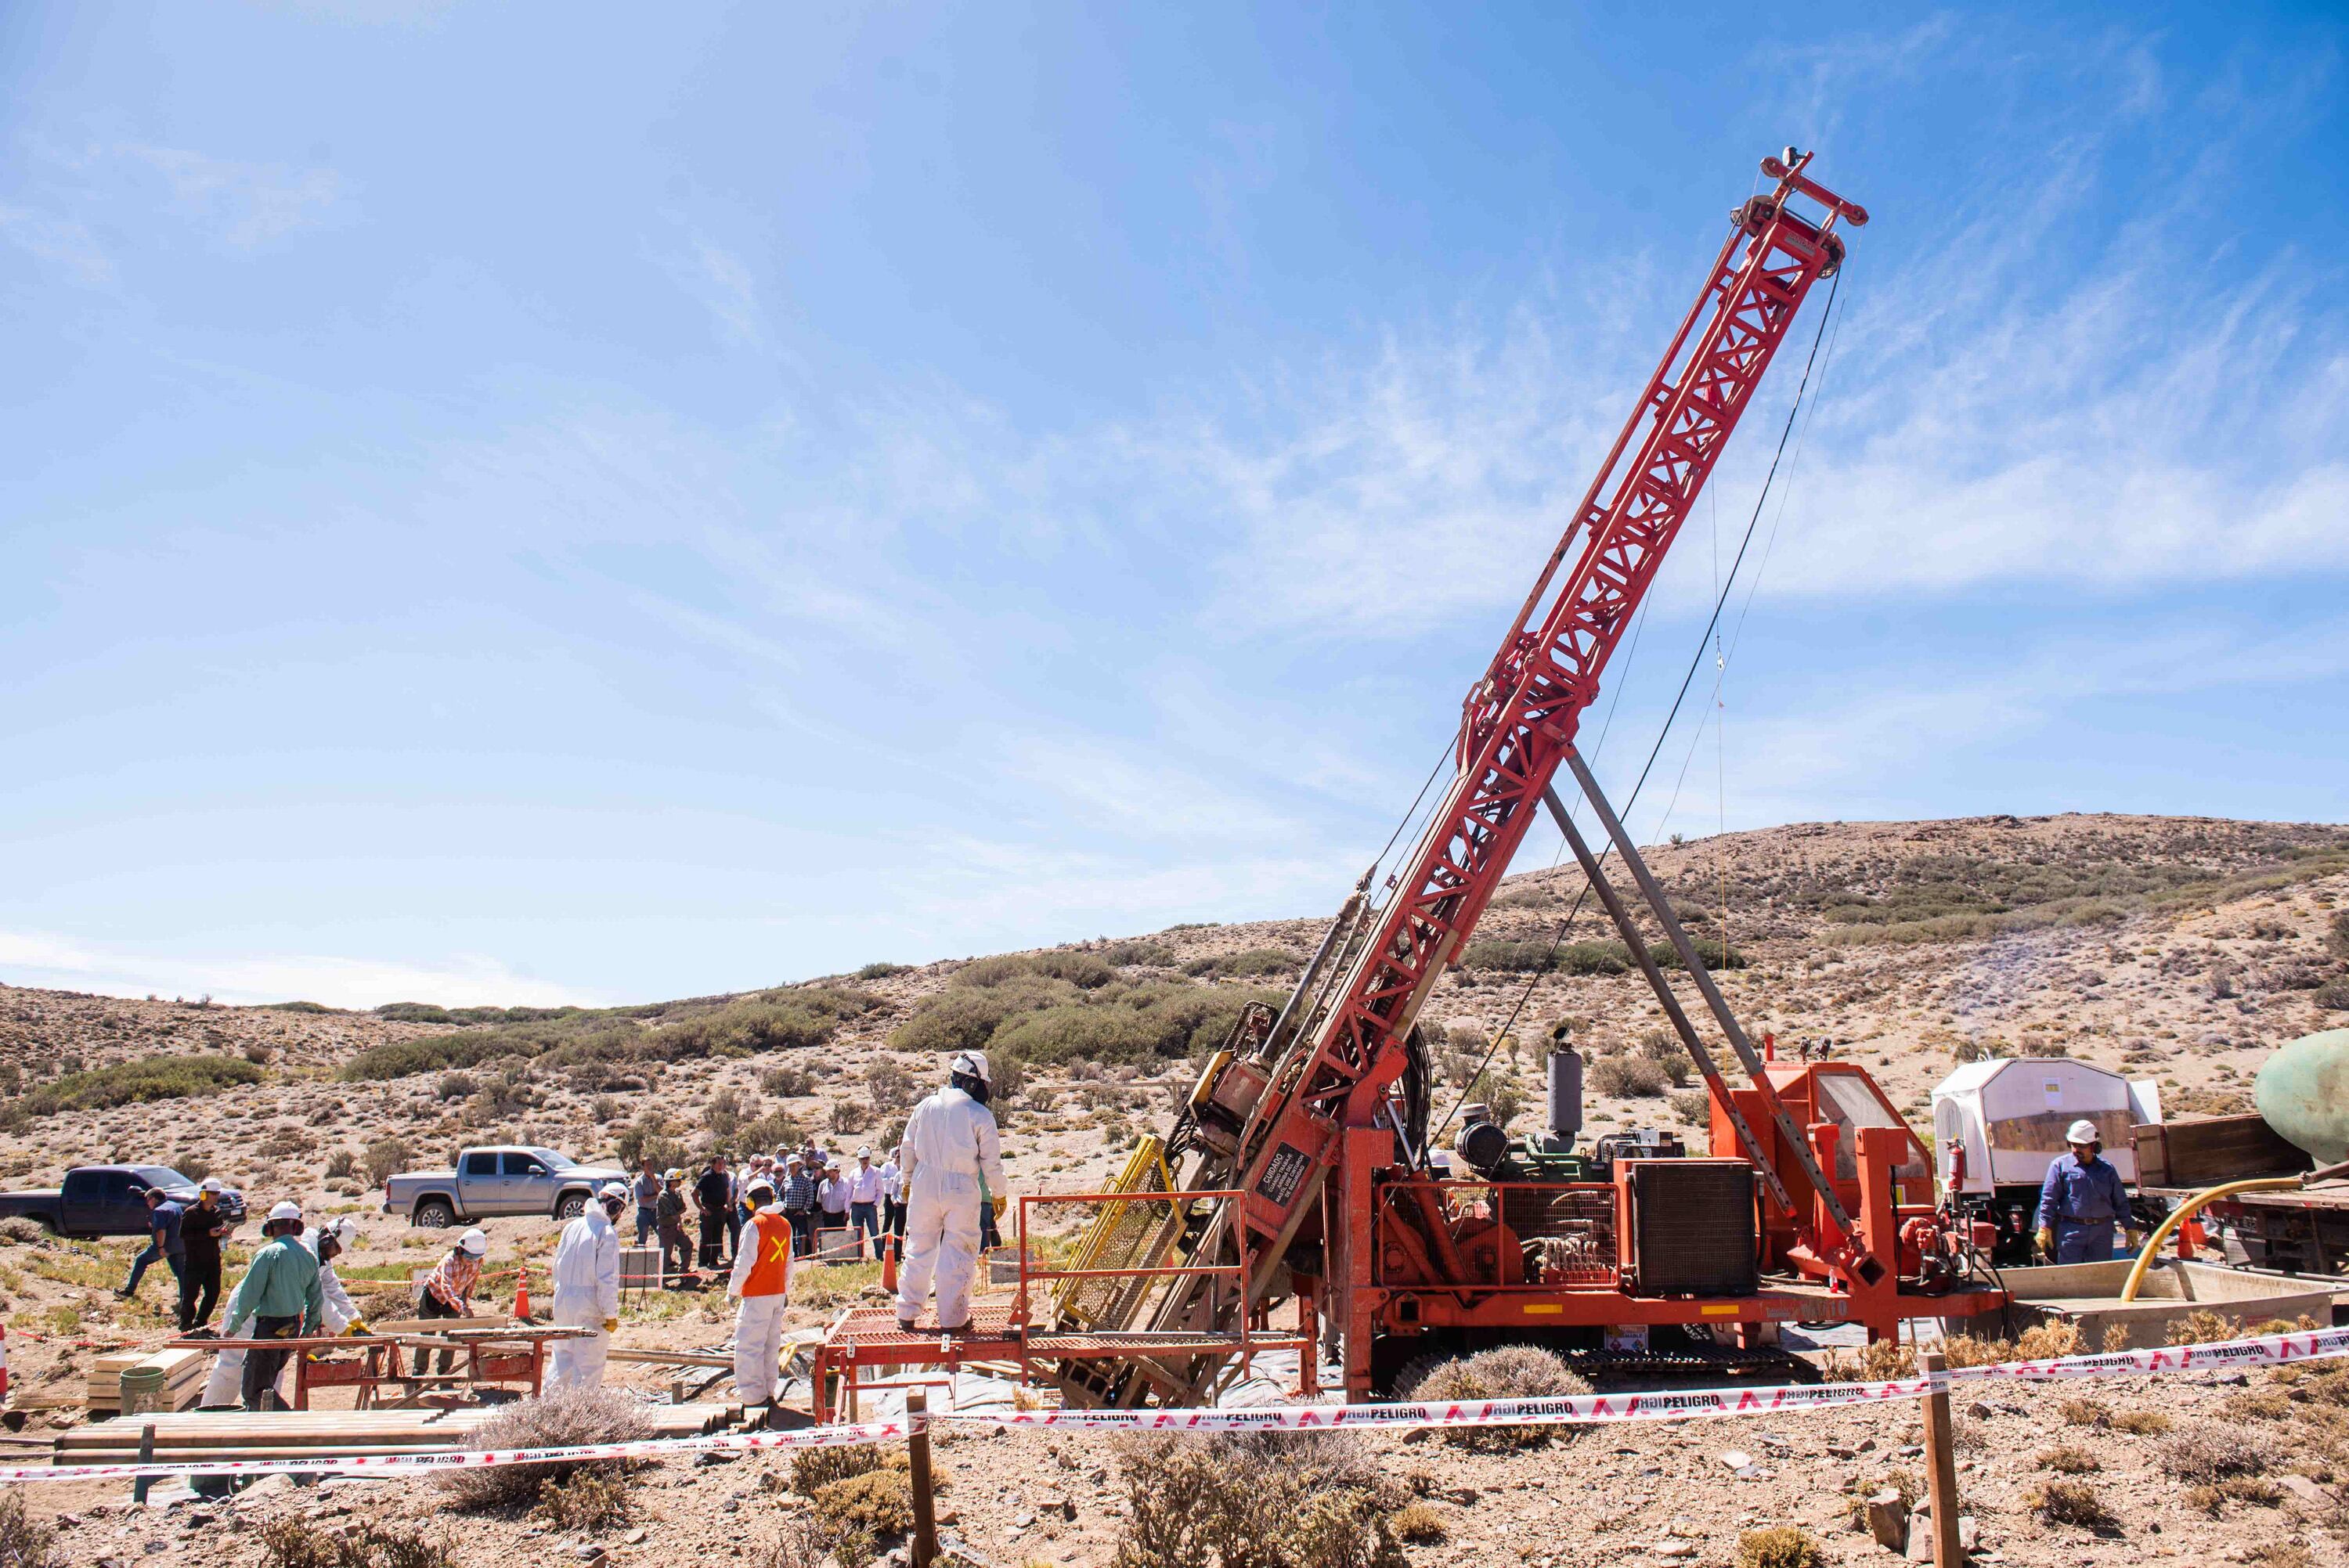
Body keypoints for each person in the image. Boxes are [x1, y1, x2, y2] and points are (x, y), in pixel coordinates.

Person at [895, 1050, 1008, 1335]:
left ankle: (907, 1314)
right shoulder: (980, 1115)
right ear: (972, 1083)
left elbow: (907, 1148)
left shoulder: (924, 1106)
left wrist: (907, 1180)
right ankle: (953, 1319)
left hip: (924, 1182)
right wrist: (999, 1192)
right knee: (958, 1251)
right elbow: (991, 1162)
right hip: (962, 1188)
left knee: (919, 1247)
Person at [201, 1217, 363, 1410]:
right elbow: (318, 1300)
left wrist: (354, 1317)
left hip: (275, 1315)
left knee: (271, 1372)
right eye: (335, 1249)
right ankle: (207, 1416)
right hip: (251, 1308)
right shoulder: (304, 1250)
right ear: (328, 1239)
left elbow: (331, 1285)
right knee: (232, 1367)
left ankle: (264, 1426)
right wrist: (342, 1328)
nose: (334, 1255)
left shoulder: (319, 1255)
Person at [221, 1202, 321, 1411]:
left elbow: (250, 1294)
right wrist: (308, 1329)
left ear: (270, 1227)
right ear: (297, 1227)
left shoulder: (268, 1254)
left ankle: (292, 1425)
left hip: (269, 1329)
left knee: (254, 1390)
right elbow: (316, 1298)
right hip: (292, 1328)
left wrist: (234, 1326)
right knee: (265, 1386)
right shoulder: (308, 1256)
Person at [547, 1182, 625, 1390]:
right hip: (589, 1306)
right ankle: (582, 1416)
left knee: (562, 1357)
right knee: (589, 1364)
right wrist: (610, 1313)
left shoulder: (572, 1227)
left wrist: (561, 1295)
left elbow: (556, 1268)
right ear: (616, 1207)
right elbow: (607, 1279)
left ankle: (549, 1409)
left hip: (563, 1301)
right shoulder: (606, 1232)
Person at [727, 1176, 793, 1415]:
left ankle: (753, 1398)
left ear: (752, 1202)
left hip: (756, 1295)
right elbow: (789, 1263)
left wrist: (733, 1291)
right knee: (770, 1345)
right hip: (776, 1293)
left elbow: (744, 1261)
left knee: (748, 1347)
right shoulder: (785, 1225)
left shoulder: (755, 1225)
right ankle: (768, 1391)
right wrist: (785, 1289)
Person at [2037, 1119, 2132, 1264]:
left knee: (2100, 1276)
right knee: (2070, 1276)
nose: (2076, 1150)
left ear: (2094, 1146)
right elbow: (2049, 1199)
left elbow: (2120, 1201)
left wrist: (2130, 1228)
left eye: (2081, 1146)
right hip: (2071, 1231)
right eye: (2073, 1145)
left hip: (2102, 1233)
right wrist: (2044, 1227)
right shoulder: (2059, 1166)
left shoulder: (2107, 1170)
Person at [413, 1228, 487, 1378]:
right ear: (460, 1250)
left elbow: (471, 1283)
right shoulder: (449, 1261)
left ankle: (444, 1373)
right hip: (433, 1297)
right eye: (469, 1257)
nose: (471, 1261)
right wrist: (461, 1306)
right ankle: (418, 1373)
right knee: (427, 1336)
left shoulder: (477, 1262)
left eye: (475, 1257)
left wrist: (465, 1303)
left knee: (451, 1336)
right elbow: (445, 1286)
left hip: (455, 1299)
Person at [177, 1178, 231, 1331]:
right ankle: (186, 1323)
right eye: (212, 1193)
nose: (216, 1196)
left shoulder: (217, 1212)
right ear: (204, 1194)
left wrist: (222, 1233)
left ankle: (201, 1321)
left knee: (213, 1293)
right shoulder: (191, 1213)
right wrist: (207, 1234)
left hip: (213, 1260)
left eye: (217, 1193)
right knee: (190, 1295)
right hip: (195, 1261)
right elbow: (184, 1234)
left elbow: (218, 1231)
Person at [117, 1184, 186, 1302]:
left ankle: (129, 1291)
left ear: (153, 1198)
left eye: (148, 1200)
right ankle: (185, 1300)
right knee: (180, 1273)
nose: (147, 1203)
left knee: (141, 1260)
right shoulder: (174, 1206)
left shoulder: (159, 1211)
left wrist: (160, 1247)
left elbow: (161, 1231)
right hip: (180, 1245)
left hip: (165, 1245)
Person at [848, 1146, 885, 1261]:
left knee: (874, 1232)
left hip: (870, 1206)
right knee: (858, 1233)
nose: (865, 1161)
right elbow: (849, 1192)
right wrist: (847, 1209)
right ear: (859, 1159)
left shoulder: (876, 1172)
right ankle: (859, 1257)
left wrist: (875, 1204)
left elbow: (880, 1190)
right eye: (863, 1158)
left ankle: (879, 1257)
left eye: (867, 1158)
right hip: (856, 1207)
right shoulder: (853, 1173)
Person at [695, 1155, 733, 1271]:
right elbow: (694, 1193)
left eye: (723, 1163)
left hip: (720, 1210)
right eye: (719, 1163)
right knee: (706, 1237)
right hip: (709, 1210)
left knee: (718, 1236)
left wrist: (728, 1204)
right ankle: (703, 1262)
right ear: (713, 1164)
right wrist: (702, 1208)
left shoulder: (724, 1176)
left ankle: (713, 1261)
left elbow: (727, 1191)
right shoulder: (706, 1177)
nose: (721, 1166)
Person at [656, 1169, 692, 1281]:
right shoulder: (663, 1195)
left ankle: (683, 1271)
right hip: (666, 1229)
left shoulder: (677, 1193)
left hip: (676, 1227)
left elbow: (682, 1208)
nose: (680, 1181)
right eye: (677, 1180)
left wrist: (679, 1219)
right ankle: (664, 1279)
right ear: (671, 1181)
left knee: (687, 1245)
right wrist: (679, 1212)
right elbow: (673, 1212)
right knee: (666, 1254)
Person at [779, 1154, 817, 1258]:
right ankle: (793, 1256)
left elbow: (810, 1197)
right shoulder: (786, 1180)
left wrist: (803, 1210)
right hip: (788, 1212)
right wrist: (782, 1206)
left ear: (799, 1165)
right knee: (790, 1235)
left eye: (794, 1166)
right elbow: (780, 1194)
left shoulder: (806, 1180)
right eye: (790, 1166)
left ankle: (805, 1255)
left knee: (803, 1235)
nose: (792, 1168)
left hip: (800, 1213)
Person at [817, 1158, 850, 1256]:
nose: (827, 1174)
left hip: (841, 1216)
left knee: (840, 1237)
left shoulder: (846, 1183)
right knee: (828, 1238)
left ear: (836, 1171)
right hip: (827, 1216)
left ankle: (839, 1257)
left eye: (829, 1171)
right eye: (826, 1171)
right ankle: (829, 1257)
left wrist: (847, 1213)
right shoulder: (823, 1184)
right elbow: (819, 1201)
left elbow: (849, 1200)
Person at [632, 1159, 662, 1249]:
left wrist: (653, 1178)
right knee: (643, 1236)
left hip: (656, 1211)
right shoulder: (639, 1182)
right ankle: (640, 1257)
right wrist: (655, 1195)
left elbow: (661, 1192)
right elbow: (642, 1200)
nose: (650, 1167)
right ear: (643, 1167)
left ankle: (664, 1258)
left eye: (651, 1164)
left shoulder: (659, 1178)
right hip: (644, 1212)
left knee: (662, 1234)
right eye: (647, 1165)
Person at [880, 1146, 905, 1245]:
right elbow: (880, 1179)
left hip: (901, 1199)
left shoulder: (905, 1169)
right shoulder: (887, 1166)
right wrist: (891, 1180)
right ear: (895, 1156)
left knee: (899, 1225)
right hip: (888, 1196)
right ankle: (883, 1244)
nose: (899, 1158)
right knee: (888, 1221)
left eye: (901, 1157)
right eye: (898, 1156)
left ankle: (898, 1249)